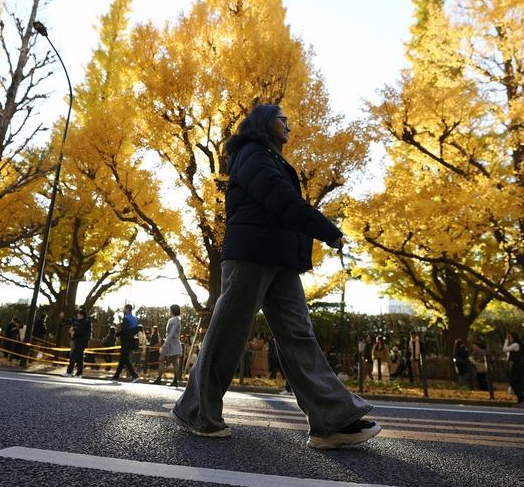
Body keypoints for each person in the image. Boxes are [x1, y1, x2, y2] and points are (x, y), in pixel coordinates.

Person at [171, 104, 379, 450]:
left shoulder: (269, 157)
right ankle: (195, 410)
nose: (289, 127)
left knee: (298, 334)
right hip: (251, 254)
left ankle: (332, 421)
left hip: (279, 258)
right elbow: (281, 199)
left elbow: (282, 203)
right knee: (229, 332)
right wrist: (325, 229)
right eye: (285, 120)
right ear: (266, 122)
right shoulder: (252, 155)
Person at [153, 304, 183, 386]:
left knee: (173, 362)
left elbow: (172, 332)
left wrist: (165, 343)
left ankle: (175, 380)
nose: (169, 311)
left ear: (173, 310)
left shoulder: (176, 319)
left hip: (172, 343)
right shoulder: (172, 319)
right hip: (170, 342)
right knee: (162, 359)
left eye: (170, 309)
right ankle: (159, 378)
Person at [111, 305, 142, 381]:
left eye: (124, 309)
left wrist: (116, 334)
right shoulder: (134, 319)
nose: (123, 310)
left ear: (127, 309)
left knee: (125, 359)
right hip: (131, 340)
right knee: (123, 359)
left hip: (125, 340)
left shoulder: (126, 318)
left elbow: (124, 330)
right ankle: (116, 376)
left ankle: (134, 375)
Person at [503, 331, 524, 407]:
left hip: (517, 365)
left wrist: (506, 341)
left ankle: (523, 399)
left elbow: (504, 349)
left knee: (513, 382)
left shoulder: (515, 344)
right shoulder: (518, 345)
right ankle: (521, 401)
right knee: (516, 383)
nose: (509, 339)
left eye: (510, 337)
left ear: (514, 337)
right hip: (518, 365)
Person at [65, 309, 92, 377]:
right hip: (80, 342)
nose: (77, 315)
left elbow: (81, 331)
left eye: (79, 314)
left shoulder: (85, 322)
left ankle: (69, 372)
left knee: (73, 356)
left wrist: (73, 333)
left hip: (81, 342)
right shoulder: (83, 322)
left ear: (82, 315)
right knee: (79, 358)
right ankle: (79, 373)